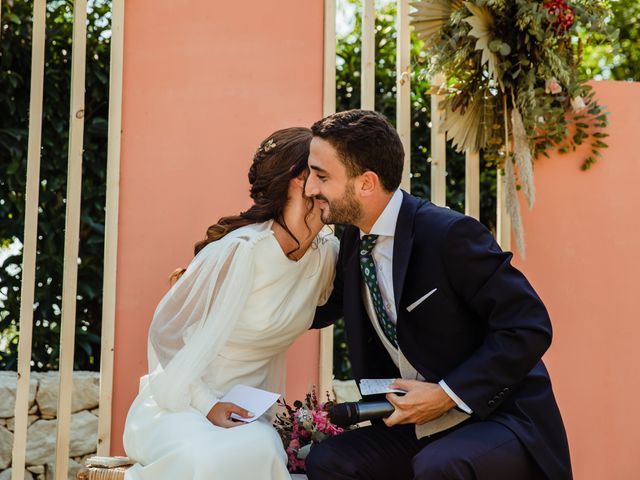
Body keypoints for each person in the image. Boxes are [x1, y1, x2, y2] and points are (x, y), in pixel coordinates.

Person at [303, 110, 572, 480]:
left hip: (497, 416)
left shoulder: (449, 235)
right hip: (418, 426)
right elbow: (317, 310)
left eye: (321, 176)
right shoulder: (353, 239)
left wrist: (447, 394)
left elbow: (528, 326)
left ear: (366, 183)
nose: (309, 189)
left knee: (440, 466)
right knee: (329, 462)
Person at [122, 127, 338, 480]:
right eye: (313, 176)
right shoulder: (242, 251)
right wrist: (208, 405)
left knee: (259, 449)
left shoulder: (326, 255)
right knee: (207, 461)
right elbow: (166, 335)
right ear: (290, 184)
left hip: (246, 417)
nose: (321, 189)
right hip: (181, 407)